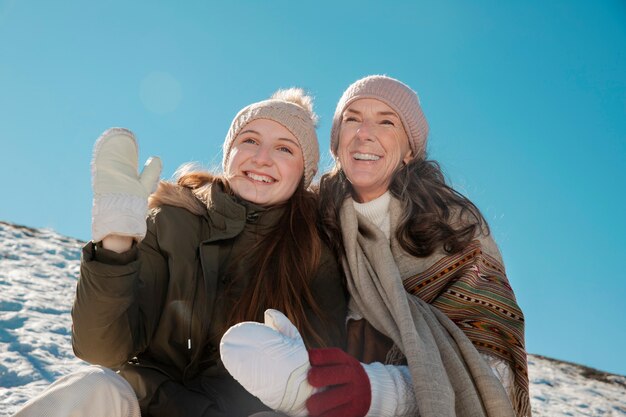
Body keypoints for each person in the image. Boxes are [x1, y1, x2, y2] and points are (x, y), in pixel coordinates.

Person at [13, 88, 347, 417]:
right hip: (148, 404)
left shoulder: (313, 254)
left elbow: (317, 383)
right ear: (229, 150)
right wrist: (115, 240)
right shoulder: (172, 221)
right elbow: (101, 348)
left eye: (284, 149)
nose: (261, 158)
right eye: (250, 140)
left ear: (305, 172)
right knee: (95, 386)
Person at [221, 76, 530, 417]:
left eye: (386, 121)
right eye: (352, 119)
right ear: (336, 144)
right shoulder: (311, 220)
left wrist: (382, 391)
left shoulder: (455, 228)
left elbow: (490, 365)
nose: (364, 133)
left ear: (410, 149)